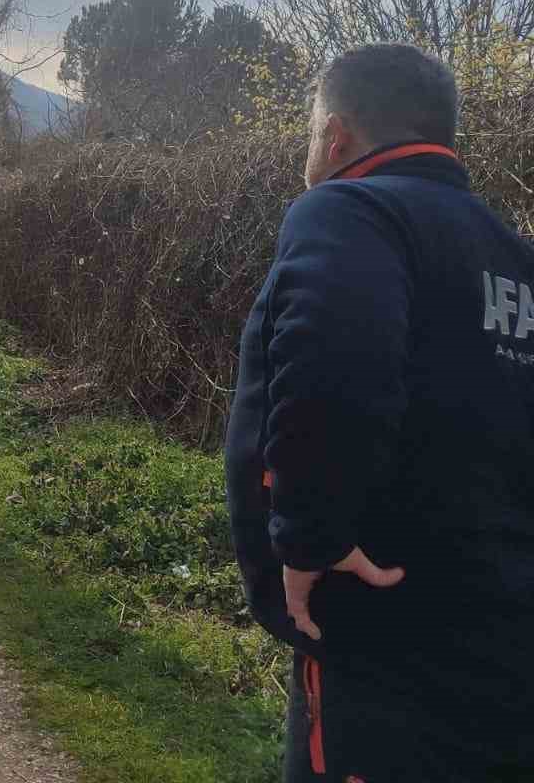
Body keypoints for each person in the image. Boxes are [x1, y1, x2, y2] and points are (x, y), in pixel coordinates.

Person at [224, 43, 534, 782]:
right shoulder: (512, 254)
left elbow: (336, 352)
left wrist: (310, 538)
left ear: (336, 137)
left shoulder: (349, 208)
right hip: (502, 641)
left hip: (380, 634)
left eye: (311, 134)